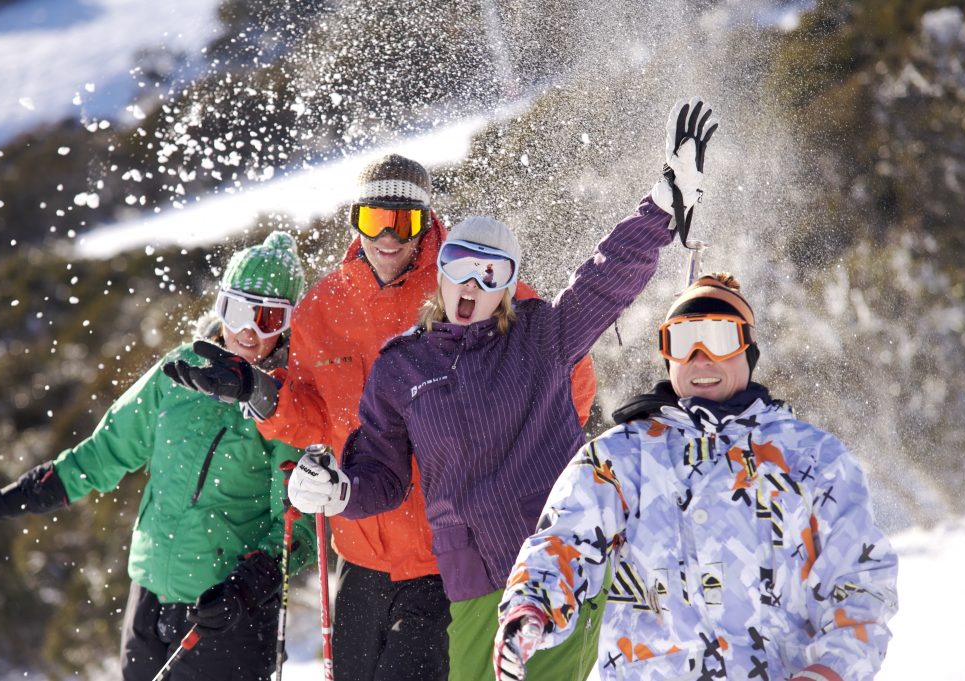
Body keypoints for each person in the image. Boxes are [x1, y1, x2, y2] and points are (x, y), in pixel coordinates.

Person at [285, 97, 718, 681]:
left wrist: (663, 205)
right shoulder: (402, 367)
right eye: (461, 266)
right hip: (469, 583)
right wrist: (338, 492)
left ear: (511, 287)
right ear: (439, 274)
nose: (473, 283)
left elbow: (606, 275)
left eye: (492, 274)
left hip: (555, 567)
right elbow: (380, 477)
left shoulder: (542, 336)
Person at [163, 153, 598, 681]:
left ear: (424, 222)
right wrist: (256, 391)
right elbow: (312, 415)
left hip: (450, 560)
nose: (388, 237)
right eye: (374, 220)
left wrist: (520, 460)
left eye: (405, 222)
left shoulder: (465, 281)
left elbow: (567, 372)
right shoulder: (324, 306)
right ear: (355, 219)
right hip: (361, 548)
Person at [493, 272, 900, 681]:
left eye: (720, 339)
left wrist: (829, 670)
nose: (701, 358)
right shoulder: (621, 458)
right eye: (684, 342)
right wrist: (529, 609)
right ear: (667, 355)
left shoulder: (813, 459)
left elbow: (861, 584)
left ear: (749, 349)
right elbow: (562, 542)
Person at [0, 232, 316, 681]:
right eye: (238, 311)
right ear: (219, 307)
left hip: (225, 617)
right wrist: (11, 499)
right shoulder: (178, 374)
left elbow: (303, 522)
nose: (248, 331)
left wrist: (251, 584)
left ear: (288, 324)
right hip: (149, 600)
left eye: (267, 318)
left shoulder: (291, 406)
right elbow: (105, 452)